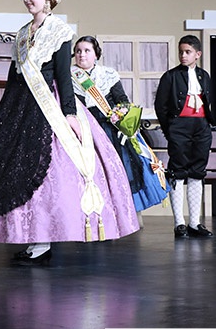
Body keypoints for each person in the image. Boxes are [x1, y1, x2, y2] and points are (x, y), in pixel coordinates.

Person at [0, 0, 140, 266]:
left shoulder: (60, 31)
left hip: (48, 108)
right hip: (19, 106)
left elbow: (63, 77)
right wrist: (4, 113)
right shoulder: (21, 34)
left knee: (47, 177)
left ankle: (42, 243)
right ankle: (32, 240)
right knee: (17, 173)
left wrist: (70, 114)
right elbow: (14, 77)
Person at [71, 36, 170, 213]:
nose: (82, 55)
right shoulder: (68, 77)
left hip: (110, 131)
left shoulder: (108, 75)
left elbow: (122, 100)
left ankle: (124, 215)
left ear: (96, 55)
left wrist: (120, 113)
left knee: (119, 171)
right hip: (82, 131)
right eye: (78, 51)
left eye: (87, 50)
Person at [153, 34, 214, 238]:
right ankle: (179, 223)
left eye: (188, 52)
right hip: (179, 127)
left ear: (198, 54)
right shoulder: (170, 76)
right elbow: (160, 106)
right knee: (178, 171)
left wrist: (207, 125)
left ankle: (195, 223)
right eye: (181, 52)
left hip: (201, 127)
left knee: (197, 171)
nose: (183, 56)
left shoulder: (204, 76)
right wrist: (170, 128)